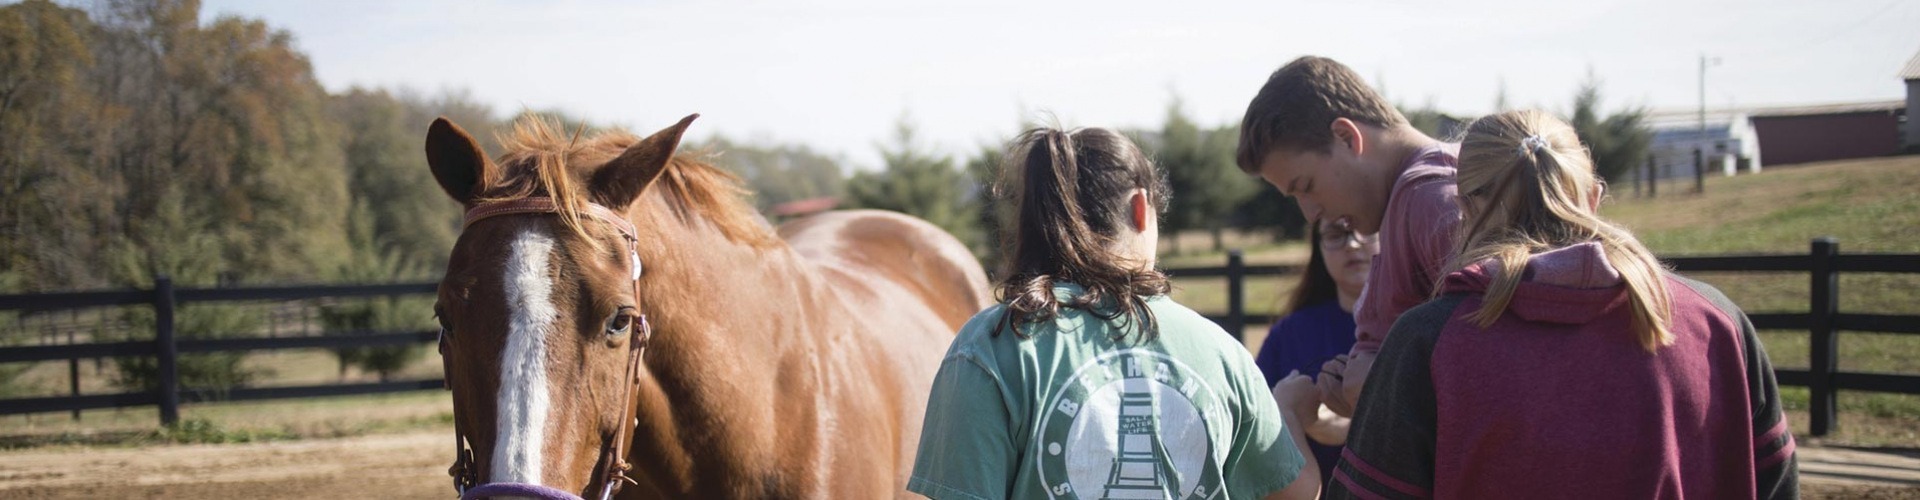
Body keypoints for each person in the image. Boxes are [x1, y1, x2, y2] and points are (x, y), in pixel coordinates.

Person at [1322, 110, 1799, 498]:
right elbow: (1777, 483)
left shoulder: (1429, 343)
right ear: (1592, 198)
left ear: (1464, 209)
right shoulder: (1717, 321)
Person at [909, 126, 1319, 499]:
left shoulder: (992, 345)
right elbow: (1293, 494)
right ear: (1141, 207)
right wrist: (1287, 413)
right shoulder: (1222, 353)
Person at [1235, 55, 1460, 418]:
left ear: (1345, 137)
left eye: (1306, 187)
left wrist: (1376, 383)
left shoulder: (1433, 203)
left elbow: (1495, 369)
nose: (1310, 213)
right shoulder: (1415, 201)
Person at [1253, 218, 1377, 486]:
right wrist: (1293, 415)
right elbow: (1254, 420)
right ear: (1318, 247)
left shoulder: (1415, 327)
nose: (1352, 244)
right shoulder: (1289, 333)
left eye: (1365, 230)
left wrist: (1345, 425)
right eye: (1336, 234)